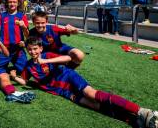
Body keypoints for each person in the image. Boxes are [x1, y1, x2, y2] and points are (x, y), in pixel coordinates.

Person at [21, 37, 158, 128]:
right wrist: (14, 76)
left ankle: (142, 111)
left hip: (68, 77)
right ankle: (134, 121)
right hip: (64, 91)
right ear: (27, 50)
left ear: (40, 49)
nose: (33, 52)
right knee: (93, 105)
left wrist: (46, 61)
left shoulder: (47, 56)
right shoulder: (28, 66)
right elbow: (24, 80)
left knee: (91, 94)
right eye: (30, 49)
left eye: (35, 49)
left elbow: (68, 58)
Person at [0, 0, 29, 85]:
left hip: (18, 49)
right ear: (6, 3)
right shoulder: (2, 15)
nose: (12, 4)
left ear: (18, 3)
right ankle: (8, 70)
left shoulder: (21, 16)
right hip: (5, 49)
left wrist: (23, 26)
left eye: (14, 2)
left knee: (24, 69)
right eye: (10, 2)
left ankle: (12, 71)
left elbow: (27, 35)